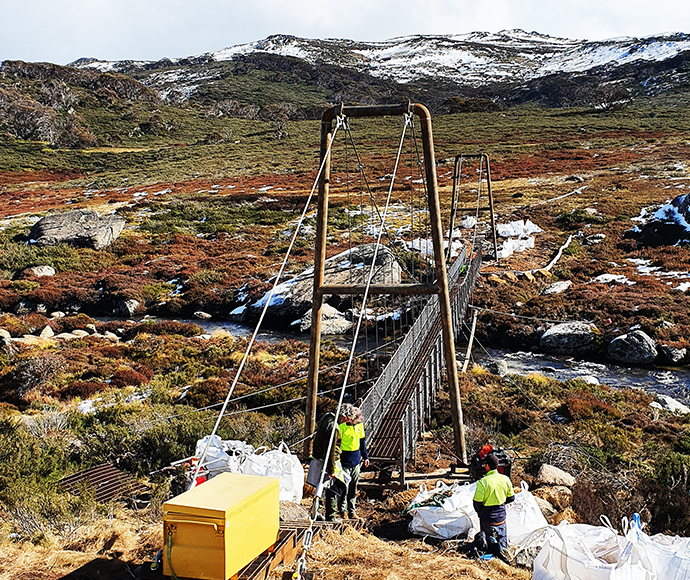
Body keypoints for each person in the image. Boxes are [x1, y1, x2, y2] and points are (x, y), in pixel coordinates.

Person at [472, 453, 514, 562]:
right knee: (502, 541)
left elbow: (477, 502)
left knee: (487, 542)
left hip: (487, 518)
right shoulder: (505, 479)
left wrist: (480, 512)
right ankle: (504, 557)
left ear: (487, 466)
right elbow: (511, 498)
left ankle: (489, 558)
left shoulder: (483, 482)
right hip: (501, 517)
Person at [311, 407, 347, 521]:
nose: (346, 422)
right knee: (332, 488)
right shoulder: (334, 428)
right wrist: (331, 469)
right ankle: (330, 516)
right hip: (328, 461)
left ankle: (316, 511)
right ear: (343, 416)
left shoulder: (326, 417)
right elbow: (330, 450)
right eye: (346, 419)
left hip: (319, 457)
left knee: (320, 487)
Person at [338, 405, 369, 520]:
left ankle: (352, 510)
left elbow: (362, 443)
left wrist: (365, 457)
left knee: (353, 487)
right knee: (344, 487)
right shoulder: (341, 427)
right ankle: (343, 510)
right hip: (344, 460)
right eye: (358, 416)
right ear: (351, 418)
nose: (361, 418)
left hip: (356, 460)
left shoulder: (360, 426)